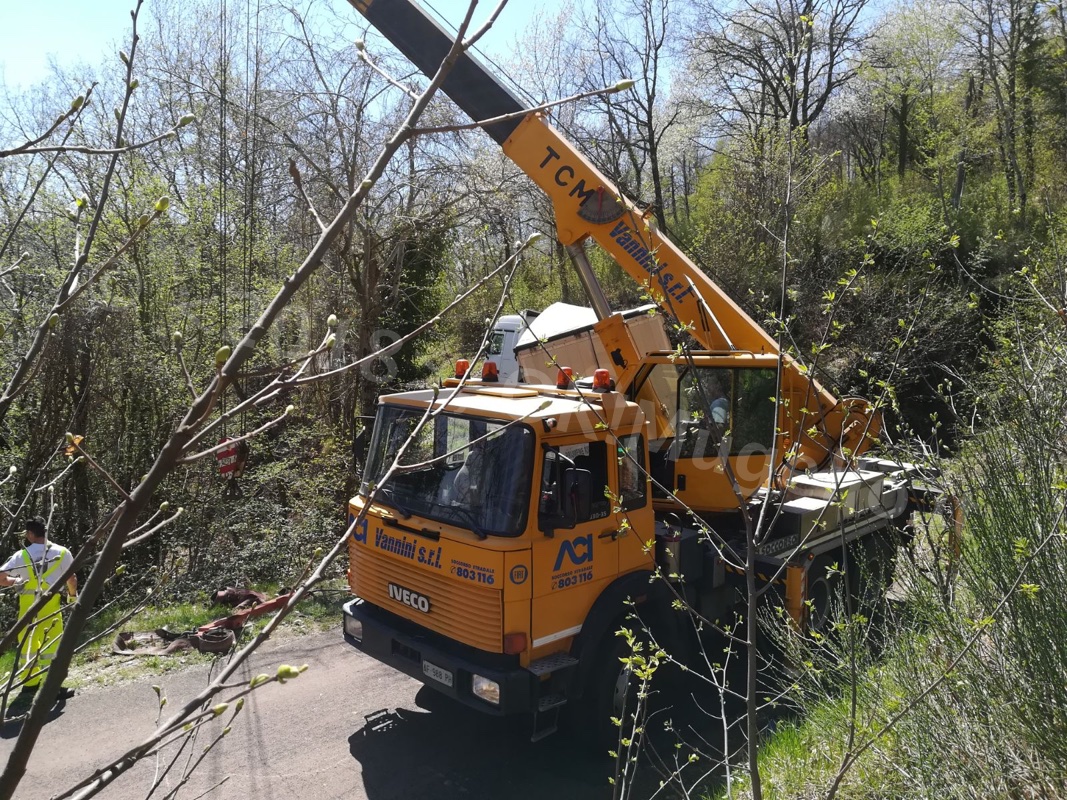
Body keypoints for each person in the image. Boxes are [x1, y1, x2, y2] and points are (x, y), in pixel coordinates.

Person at [0, 517, 77, 708]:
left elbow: (1, 577)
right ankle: (54, 687)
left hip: (28, 610)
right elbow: (71, 578)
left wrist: (15, 582)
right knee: (52, 645)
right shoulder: (62, 552)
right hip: (51, 607)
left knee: (28, 647)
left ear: (29, 534)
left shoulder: (21, 555)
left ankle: (29, 685)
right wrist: (72, 597)